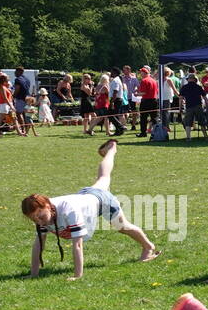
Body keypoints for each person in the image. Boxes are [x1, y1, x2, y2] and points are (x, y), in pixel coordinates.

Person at [21, 139, 160, 280]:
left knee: (122, 226)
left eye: (41, 216)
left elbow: (78, 245)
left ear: (48, 206)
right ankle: (111, 149)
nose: (39, 221)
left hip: (102, 202)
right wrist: (33, 274)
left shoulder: (69, 211)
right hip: (86, 196)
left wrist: (77, 276)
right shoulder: (43, 214)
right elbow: (39, 245)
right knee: (103, 177)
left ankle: (148, 247)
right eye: (34, 219)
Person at [179, 73, 206, 139]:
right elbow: (205, 97)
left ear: (188, 80)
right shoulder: (198, 87)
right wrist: (207, 105)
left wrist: (180, 107)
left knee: (188, 123)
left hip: (189, 107)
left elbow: (181, 98)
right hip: (198, 106)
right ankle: (206, 136)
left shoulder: (184, 87)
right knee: (201, 122)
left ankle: (188, 137)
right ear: (195, 79)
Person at [136, 66, 159, 137]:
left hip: (146, 101)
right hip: (154, 100)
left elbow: (144, 92)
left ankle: (143, 133)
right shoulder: (154, 80)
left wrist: (136, 94)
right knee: (154, 118)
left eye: (141, 73)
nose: (140, 74)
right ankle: (157, 132)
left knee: (143, 118)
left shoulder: (144, 80)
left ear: (144, 73)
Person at [12, 66, 35, 136]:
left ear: (20, 72)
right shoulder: (27, 79)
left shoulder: (17, 79)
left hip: (20, 98)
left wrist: (13, 96)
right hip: (27, 98)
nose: (15, 73)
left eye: (16, 71)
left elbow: (17, 89)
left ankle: (23, 129)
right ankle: (27, 129)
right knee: (25, 114)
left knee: (19, 113)